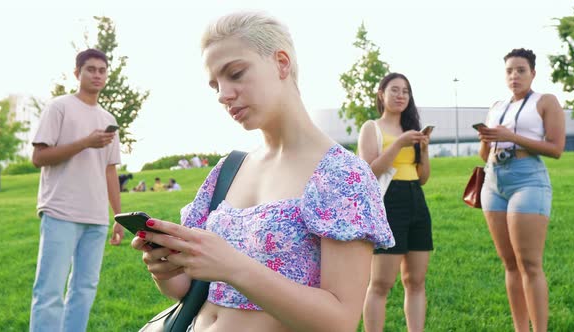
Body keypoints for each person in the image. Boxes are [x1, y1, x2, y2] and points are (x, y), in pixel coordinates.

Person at [131, 12, 394, 332]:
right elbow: (190, 288)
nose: (223, 94)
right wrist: (165, 270)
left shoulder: (341, 175)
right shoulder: (229, 168)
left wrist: (234, 267)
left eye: (236, 74)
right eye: (216, 84)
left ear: (281, 63)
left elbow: (339, 321)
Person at [29, 48, 124, 332]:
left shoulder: (108, 118)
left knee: (84, 289)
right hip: (60, 210)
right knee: (49, 292)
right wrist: (85, 142)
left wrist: (118, 216)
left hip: (96, 217)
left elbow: (110, 170)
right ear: (77, 73)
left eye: (102, 70)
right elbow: (39, 157)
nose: (97, 74)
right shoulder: (59, 107)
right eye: (90, 69)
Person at [476, 48, 565, 332]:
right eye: (510, 71)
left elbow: (556, 148)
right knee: (510, 264)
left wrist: (511, 136)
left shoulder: (546, 102)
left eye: (521, 70)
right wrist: (486, 139)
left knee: (529, 263)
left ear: (533, 73)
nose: (514, 76)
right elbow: (483, 155)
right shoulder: (496, 106)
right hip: (493, 180)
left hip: (527, 179)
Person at [358, 73, 432, 332]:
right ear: (382, 94)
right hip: (389, 203)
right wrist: (399, 143)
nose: (401, 95)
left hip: (416, 200)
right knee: (380, 284)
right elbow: (369, 172)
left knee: (416, 281)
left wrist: (422, 149)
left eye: (406, 91)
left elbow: (422, 178)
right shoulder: (372, 127)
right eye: (395, 90)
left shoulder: (411, 129)